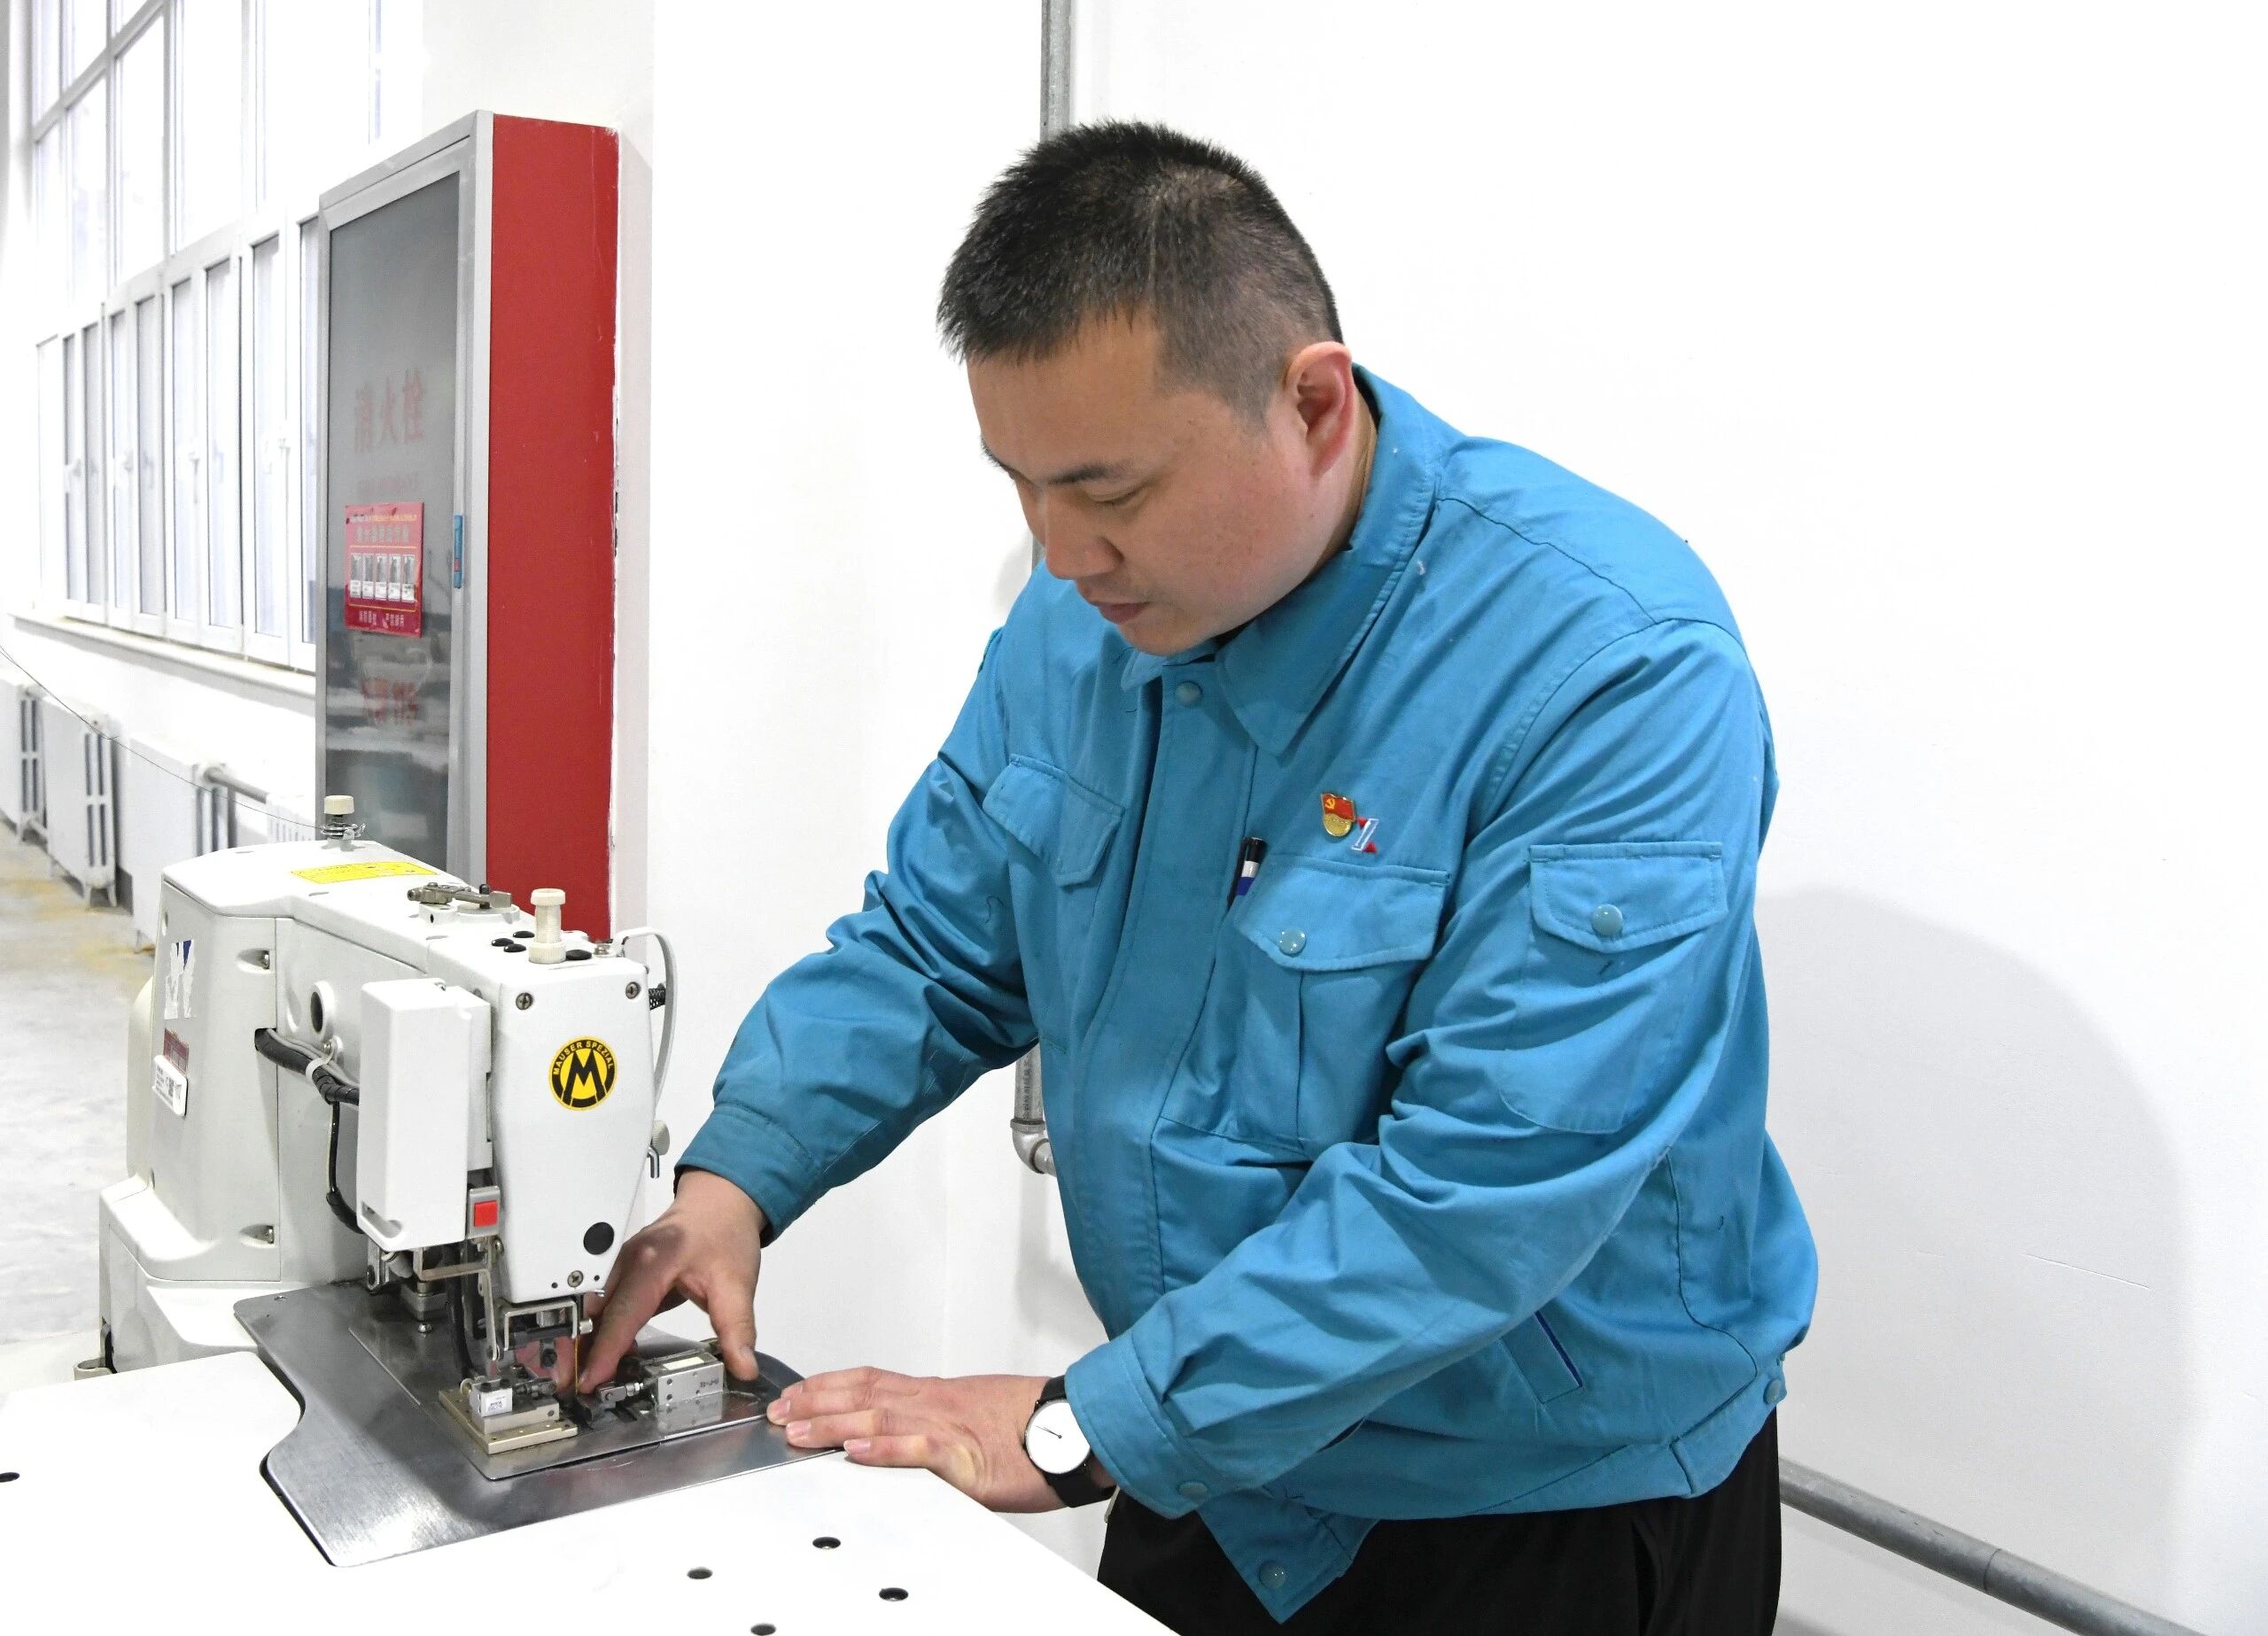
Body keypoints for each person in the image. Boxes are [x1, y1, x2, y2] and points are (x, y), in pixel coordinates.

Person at [585, 120, 1816, 1633]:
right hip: (1211, 1465)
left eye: (1109, 490)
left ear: (1312, 403)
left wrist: (1074, 1428)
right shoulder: (1086, 624)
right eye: (1021, 486)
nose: (1061, 553)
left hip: (1527, 1511)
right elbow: (934, 946)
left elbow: (1483, 1194)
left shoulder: (1610, 672)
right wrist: (732, 1185)